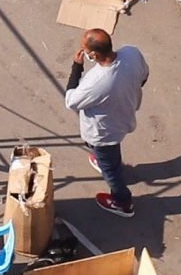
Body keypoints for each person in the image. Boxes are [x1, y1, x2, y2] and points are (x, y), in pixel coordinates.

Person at [64, 29, 150, 216]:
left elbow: (71, 101)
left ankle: (123, 202)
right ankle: (103, 160)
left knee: (111, 170)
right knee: (107, 155)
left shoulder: (96, 82)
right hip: (124, 115)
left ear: (93, 55)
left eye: (85, 49)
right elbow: (144, 75)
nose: (83, 52)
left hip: (103, 132)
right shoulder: (131, 53)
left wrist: (76, 67)